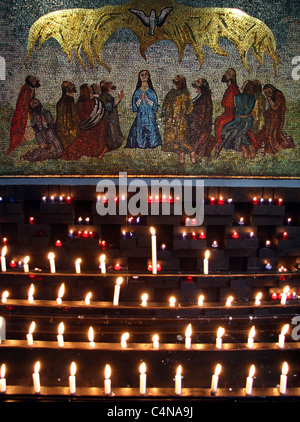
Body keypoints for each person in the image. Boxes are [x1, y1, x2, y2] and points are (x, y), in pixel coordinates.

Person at [61, 84, 108, 160]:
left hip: (95, 126)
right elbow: (85, 117)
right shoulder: (80, 104)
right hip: (88, 127)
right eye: (89, 89)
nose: (91, 90)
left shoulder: (94, 101)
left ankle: (102, 149)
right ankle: (99, 151)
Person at [219, 80, 257, 159]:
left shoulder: (238, 97)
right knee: (241, 133)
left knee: (230, 131)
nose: (242, 85)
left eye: (244, 84)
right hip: (249, 121)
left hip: (239, 120)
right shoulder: (253, 99)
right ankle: (249, 147)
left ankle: (245, 147)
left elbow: (233, 108)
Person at [125, 70, 162, 149]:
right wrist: (140, 99)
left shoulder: (151, 92)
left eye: (146, 74)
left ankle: (152, 145)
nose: (144, 76)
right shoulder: (137, 92)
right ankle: (141, 145)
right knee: (139, 132)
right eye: (142, 75)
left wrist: (147, 100)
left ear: (148, 76)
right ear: (139, 77)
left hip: (150, 115)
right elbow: (135, 107)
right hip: (140, 115)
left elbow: (155, 106)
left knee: (152, 131)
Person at [255, 84, 295, 154]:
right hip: (271, 119)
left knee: (273, 135)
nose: (267, 94)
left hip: (276, 119)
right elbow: (269, 109)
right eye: (265, 93)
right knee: (265, 133)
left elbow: (275, 107)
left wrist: (270, 101)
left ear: (270, 88)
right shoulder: (272, 96)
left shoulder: (278, 95)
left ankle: (285, 144)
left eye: (268, 92)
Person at [161, 75, 193, 163]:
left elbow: (189, 107)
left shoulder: (185, 93)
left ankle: (184, 153)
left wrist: (182, 113)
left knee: (178, 140)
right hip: (173, 120)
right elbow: (166, 105)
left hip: (178, 120)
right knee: (172, 141)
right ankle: (182, 152)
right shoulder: (173, 92)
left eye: (178, 83)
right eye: (176, 83)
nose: (177, 85)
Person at [7, 75, 40, 155]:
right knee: (24, 124)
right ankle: (23, 139)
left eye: (34, 79)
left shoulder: (32, 89)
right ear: (30, 82)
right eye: (33, 79)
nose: (35, 80)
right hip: (24, 112)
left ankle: (27, 138)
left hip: (29, 111)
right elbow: (23, 103)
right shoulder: (26, 89)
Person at [187, 78, 216, 163]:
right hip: (196, 121)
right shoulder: (200, 96)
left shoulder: (205, 97)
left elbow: (203, 112)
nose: (196, 82)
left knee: (200, 137)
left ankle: (194, 152)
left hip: (201, 123)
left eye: (198, 82)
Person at [214, 68, 240, 158]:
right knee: (217, 120)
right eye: (226, 73)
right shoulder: (229, 88)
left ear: (231, 77)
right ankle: (218, 142)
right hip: (227, 112)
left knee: (220, 123)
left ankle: (220, 144)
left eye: (228, 73)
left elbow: (231, 104)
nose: (225, 74)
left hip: (232, 113)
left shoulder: (233, 88)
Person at [99, 80, 124, 151]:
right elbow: (108, 106)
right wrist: (119, 98)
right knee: (110, 132)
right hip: (107, 117)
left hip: (111, 116)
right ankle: (111, 145)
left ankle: (115, 143)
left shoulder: (107, 95)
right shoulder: (103, 95)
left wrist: (119, 99)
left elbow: (113, 105)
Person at [55, 81, 80, 149]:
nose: (72, 85)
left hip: (69, 129)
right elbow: (73, 117)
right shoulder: (66, 101)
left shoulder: (69, 99)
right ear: (66, 89)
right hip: (68, 132)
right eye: (69, 84)